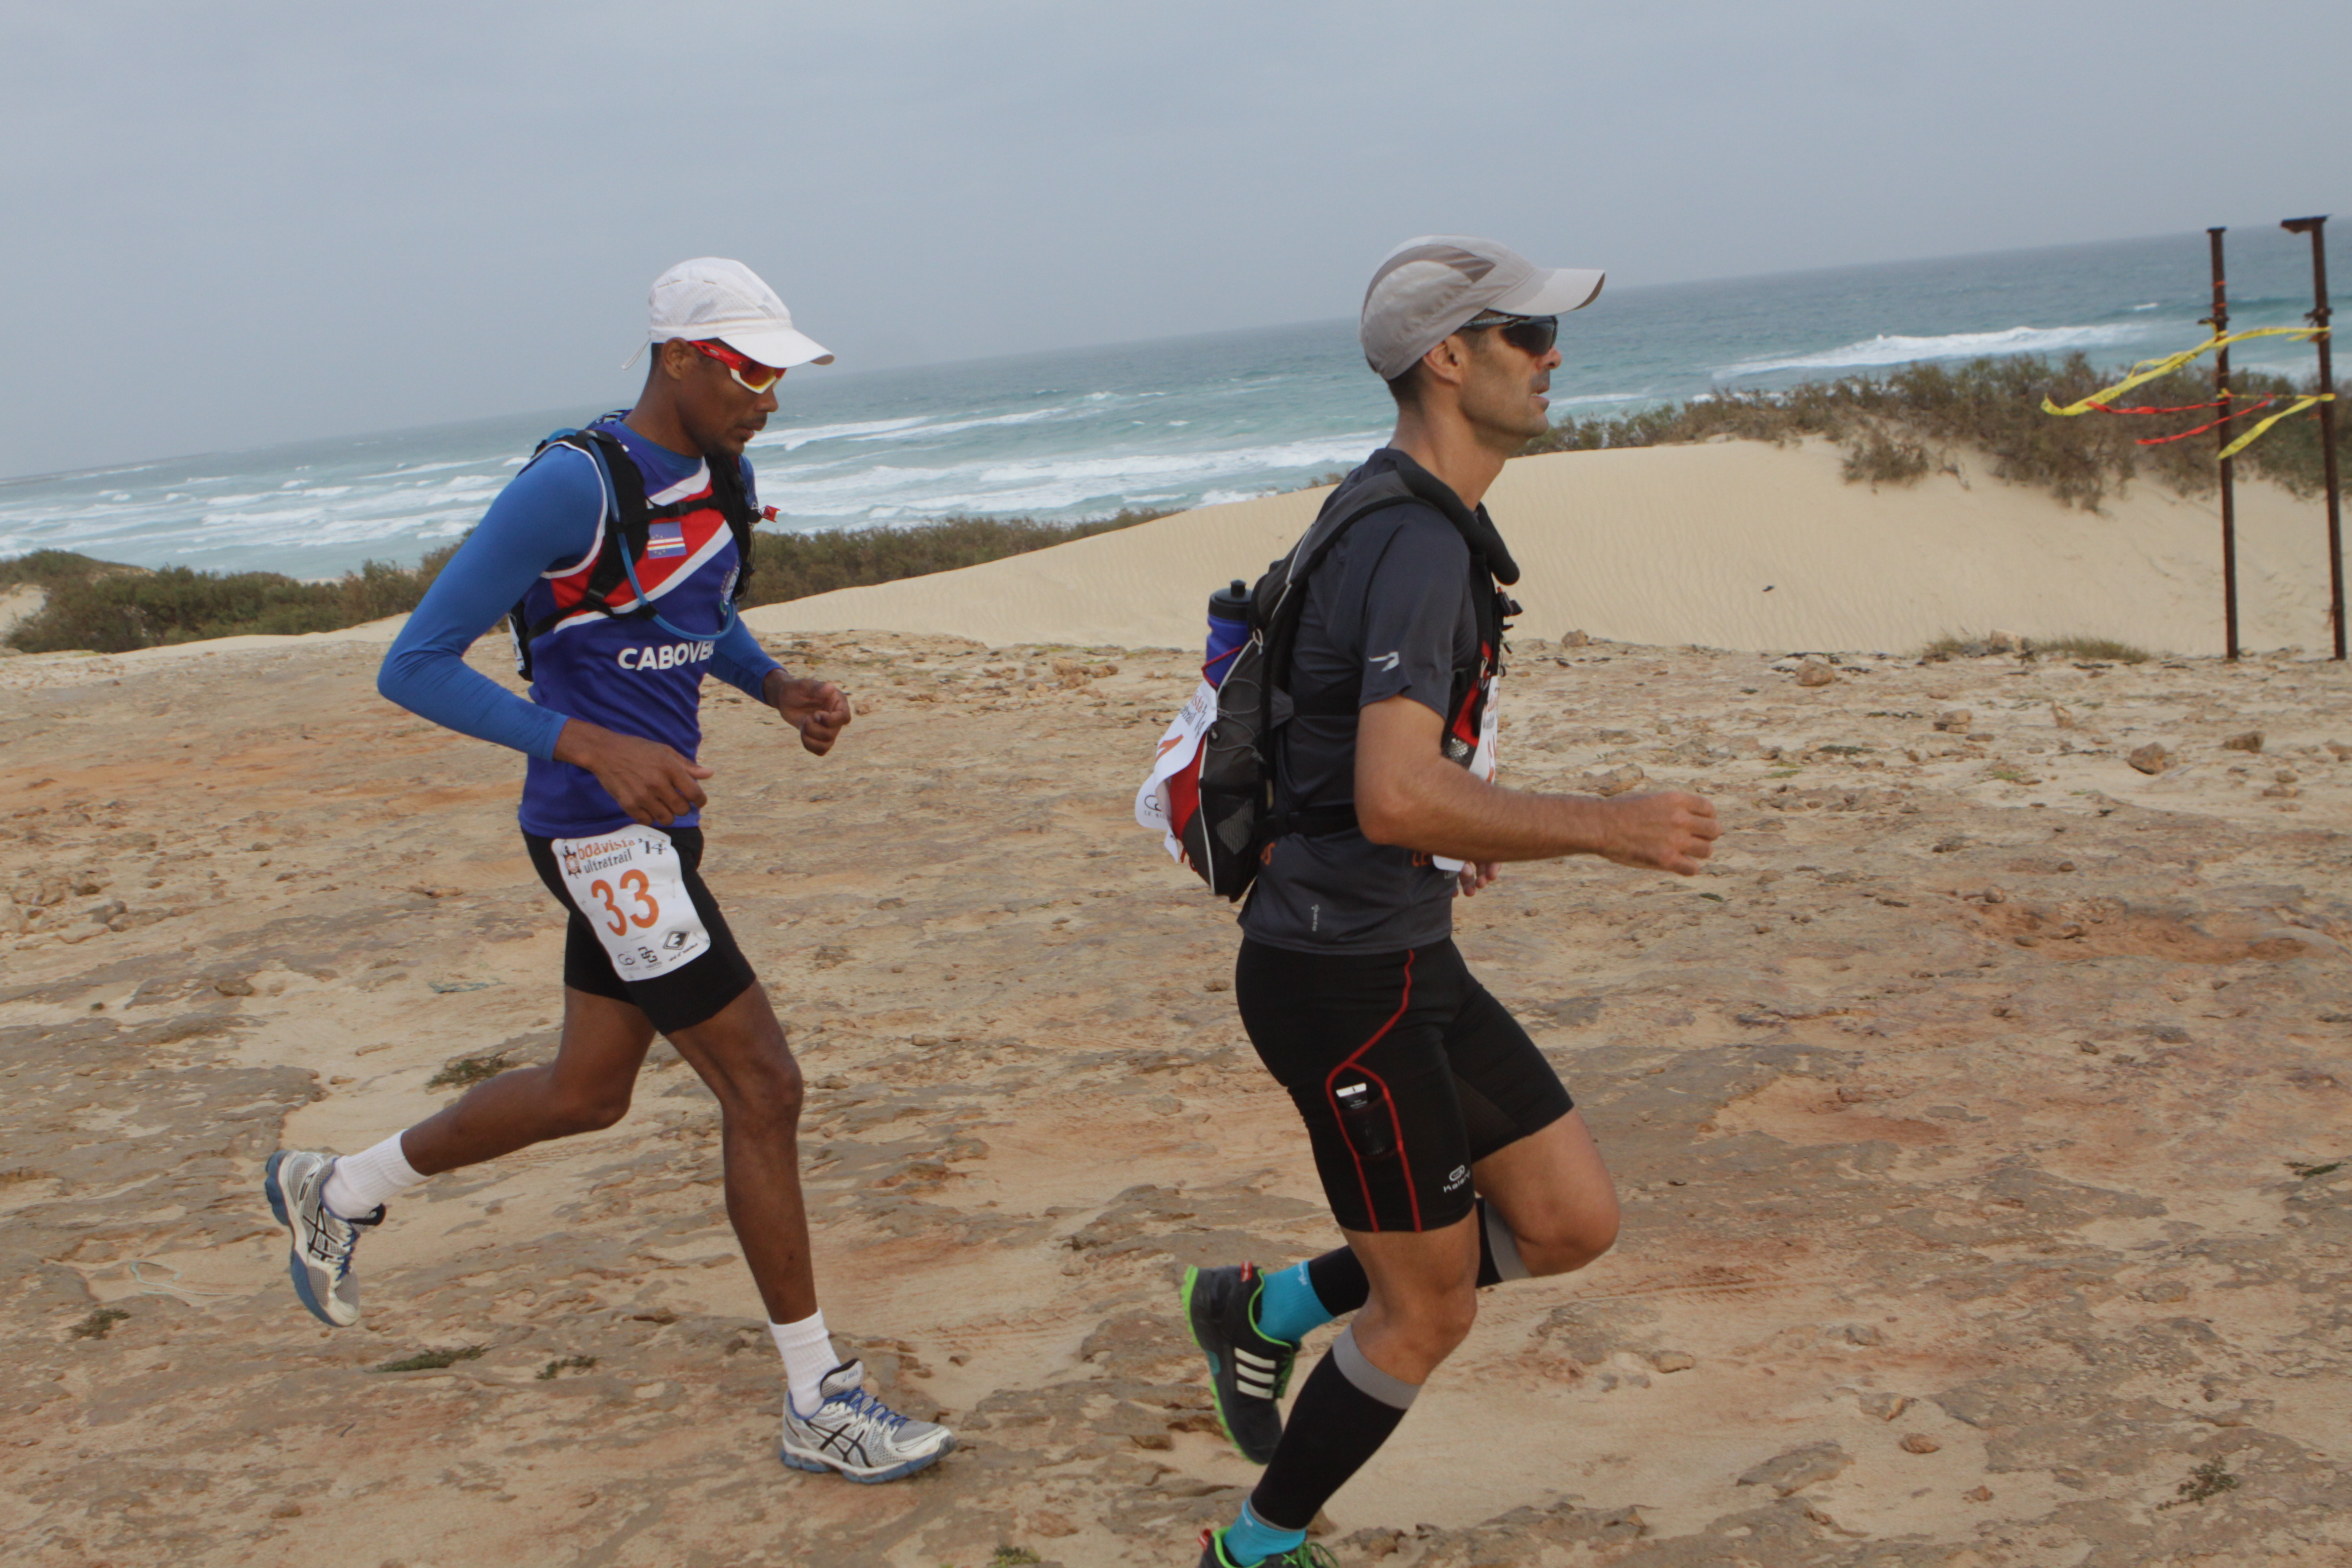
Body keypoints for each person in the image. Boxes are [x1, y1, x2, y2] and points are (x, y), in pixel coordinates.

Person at [262, 257, 953, 1484]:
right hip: (599, 834)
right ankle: (819, 1398)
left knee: (589, 1093)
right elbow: (413, 664)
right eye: (747, 372)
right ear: (677, 357)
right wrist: (586, 744)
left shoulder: (722, 470)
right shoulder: (569, 486)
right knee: (765, 1087)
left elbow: (693, 606)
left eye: (779, 376)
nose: (767, 399)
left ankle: (341, 1185)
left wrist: (776, 686)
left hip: (656, 825)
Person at [1183, 237, 1721, 1567]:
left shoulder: (1397, 510)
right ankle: (1254, 1551)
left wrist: (1451, 826)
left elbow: (1352, 755)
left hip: (1399, 951)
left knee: (1569, 1222)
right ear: (1449, 357)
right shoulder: (1416, 542)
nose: (1553, 356)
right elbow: (1392, 794)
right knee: (1426, 1314)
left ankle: (1268, 1308)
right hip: (1337, 983)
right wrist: (1605, 827)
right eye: (1526, 335)